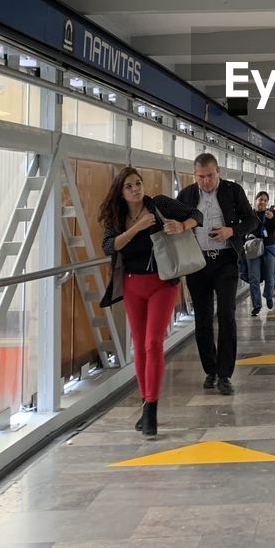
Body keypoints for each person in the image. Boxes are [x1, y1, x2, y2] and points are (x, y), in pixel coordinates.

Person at [100, 166, 203, 437]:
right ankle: (146, 400)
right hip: (133, 285)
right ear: (121, 193)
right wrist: (136, 228)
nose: (136, 189)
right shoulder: (117, 217)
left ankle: (151, 410)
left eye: (138, 184)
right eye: (129, 186)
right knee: (139, 345)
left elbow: (197, 214)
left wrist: (182, 225)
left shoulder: (159, 204)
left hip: (163, 282)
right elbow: (110, 246)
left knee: (153, 342)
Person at [176, 153, 258, 396]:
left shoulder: (233, 191)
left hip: (225, 262)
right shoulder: (187, 195)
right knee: (202, 318)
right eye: (200, 177)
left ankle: (225, 374)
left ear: (218, 172)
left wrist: (230, 231)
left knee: (226, 313)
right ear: (194, 176)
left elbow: (252, 221)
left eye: (210, 176)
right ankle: (210, 370)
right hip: (197, 263)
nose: (206, 181)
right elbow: (175, 222)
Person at [246, 191, 275, 316]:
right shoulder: (250, 214)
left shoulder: (271, 213)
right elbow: (245, 228)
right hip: (253, 248)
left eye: (266, 200)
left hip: (268, 247)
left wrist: (273, 219)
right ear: (256, 200)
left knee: (270, 276)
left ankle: (269, 296)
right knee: (254, 277)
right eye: (261, 199)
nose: (263, 202)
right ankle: (256, 305)